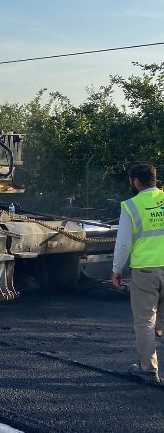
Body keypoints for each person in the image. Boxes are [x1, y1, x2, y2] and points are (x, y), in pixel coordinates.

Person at [111, 162, 164, 384]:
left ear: (135, 181)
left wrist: (116, 269)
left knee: (145, 322)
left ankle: (148, 369)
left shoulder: (131, 206)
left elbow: (123, 244)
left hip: (145, 271)